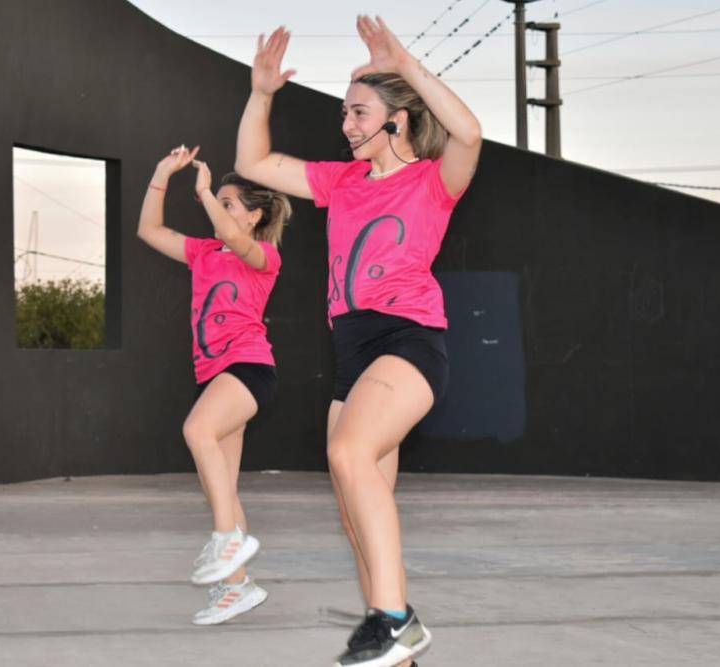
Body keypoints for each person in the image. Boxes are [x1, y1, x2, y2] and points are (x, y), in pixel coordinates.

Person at [235, 15, 482, 667]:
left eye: (358, 112)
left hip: (410, 340)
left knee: (348, 451)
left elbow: (470, 131)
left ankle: (395, 620)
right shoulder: (341, 182)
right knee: (356, 515)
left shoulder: (433, 181)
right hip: (353, 351)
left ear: (396, 120)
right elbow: (252, 162)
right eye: (344, 113)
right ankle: (398, 656)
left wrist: (404, 62)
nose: (346, 125)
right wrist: (262, 93)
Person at [136, 144, 291, 625]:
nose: (219, 211)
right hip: (216, 375)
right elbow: (148, 230)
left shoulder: (262, 254)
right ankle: (237, 587)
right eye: (217, 201)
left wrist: (204, 191)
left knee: (197, 432)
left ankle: (227, 542)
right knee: (221, 487)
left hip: (248, 369)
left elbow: (232, 236)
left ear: (254, 216)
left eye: (229, 204)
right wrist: (162, 173)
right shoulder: (204, 253)